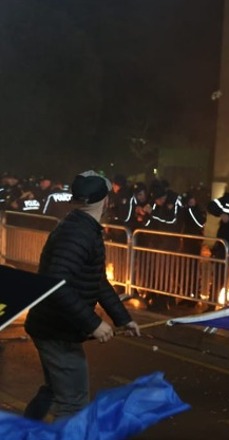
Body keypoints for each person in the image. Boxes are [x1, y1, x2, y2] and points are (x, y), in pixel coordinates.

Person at [24, 171, 141, 420]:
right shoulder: (78, 233)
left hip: (54, 325)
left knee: (55, 391)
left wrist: (122, 318)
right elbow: (56, 283)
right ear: (105, 201)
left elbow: (96, 279)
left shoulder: (81, 226)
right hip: (57, 331)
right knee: (74, 404)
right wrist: (93, 323)